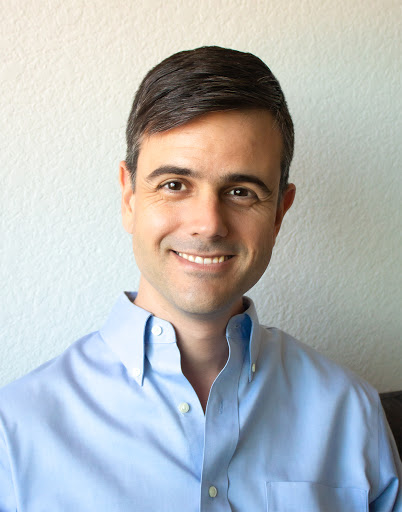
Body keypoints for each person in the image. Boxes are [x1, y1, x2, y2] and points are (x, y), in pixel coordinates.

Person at [0, 46, 400, 511]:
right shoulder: (15, 432)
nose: (208, 224)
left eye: (241, 191)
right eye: (174, 185)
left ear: (279, 213)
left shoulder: (352, 414)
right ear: (129, 198)